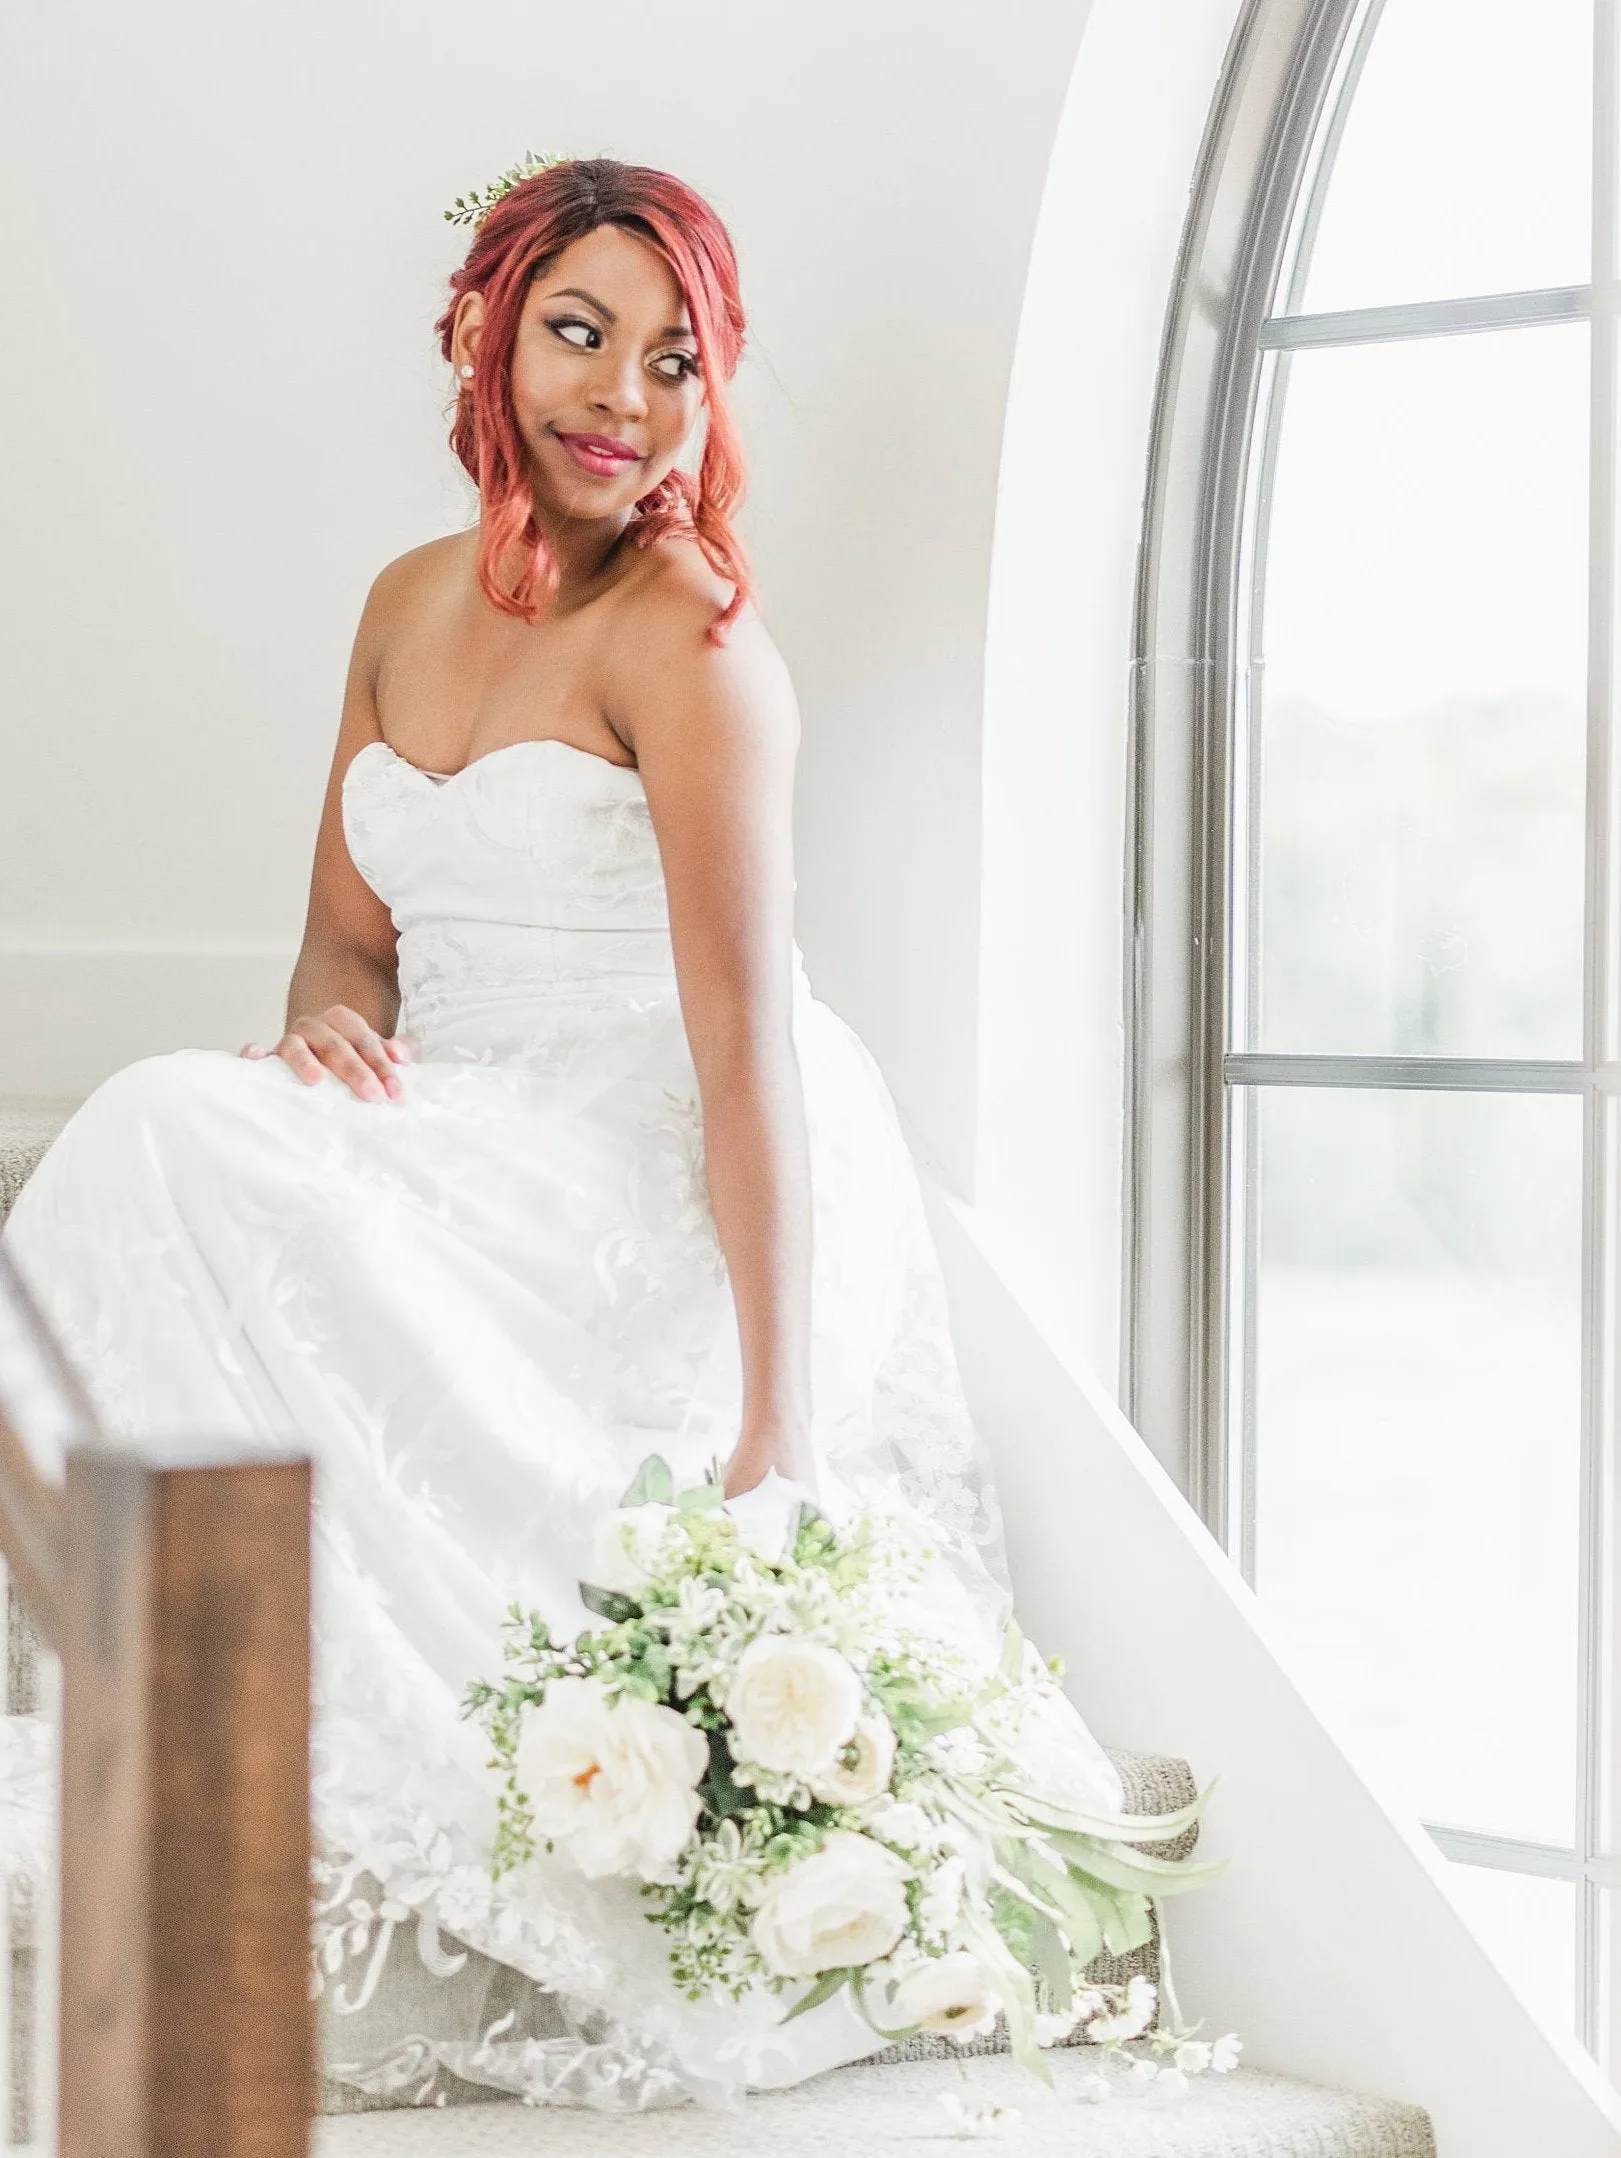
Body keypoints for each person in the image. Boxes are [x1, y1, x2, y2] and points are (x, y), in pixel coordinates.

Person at [0, 156, 1123, 2112]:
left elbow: (742, 1043)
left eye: (675, 356)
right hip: (464, 1106)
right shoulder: (401, 603)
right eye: (581, 336)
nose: (625, 395)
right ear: (485, 338)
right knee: (167, 1129)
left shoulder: (691, 642)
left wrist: (779, 1425)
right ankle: (186, 1696)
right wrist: (328, 1051)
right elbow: (348, 946)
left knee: (150, 1126)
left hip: (647, 1146)